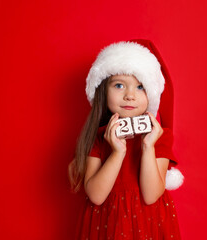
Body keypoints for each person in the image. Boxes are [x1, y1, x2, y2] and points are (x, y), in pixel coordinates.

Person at [68, 40, 184, 240]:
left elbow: (151, 195)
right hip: (107, 224)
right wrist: (117, 152)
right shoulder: (99, 137)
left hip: (149, 223)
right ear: (104, 90)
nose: (130, 95)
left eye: (140, 87)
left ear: (152, 94)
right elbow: (95, 195)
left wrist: (148, 147)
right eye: (119, 85)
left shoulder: (158, 137)